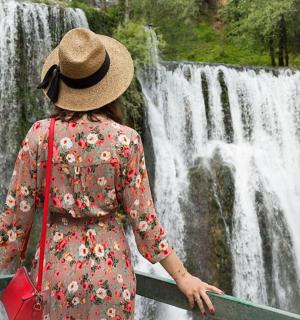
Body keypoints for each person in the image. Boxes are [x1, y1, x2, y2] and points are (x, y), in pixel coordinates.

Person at [0, 27, 224, 319]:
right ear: (106, 84)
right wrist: (182, 277)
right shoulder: (126, 140)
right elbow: (144, 222)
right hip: (111, 277)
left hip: (54, 275)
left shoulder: (40, 136)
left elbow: (15, 221)